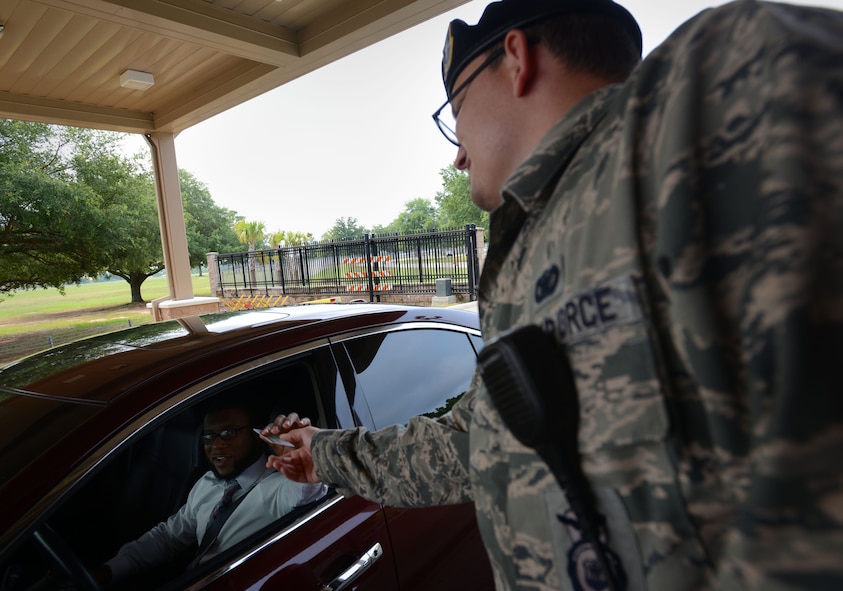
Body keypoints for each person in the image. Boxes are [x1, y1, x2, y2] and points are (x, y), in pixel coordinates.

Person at [266, 1, 843, 589]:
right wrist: (322, 453)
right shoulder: (535, 246)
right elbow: (475, 442)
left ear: (516, 60)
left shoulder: (715, 94)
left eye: (456, 112)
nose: (457, 153)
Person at [95, 402, 326, 586]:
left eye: (228, 432)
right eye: (208, 436)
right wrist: (110, 570)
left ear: (257, 434)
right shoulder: (208, 482)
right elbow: (169, 536)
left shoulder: (279, 487)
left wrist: (305, 459)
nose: (216, 445)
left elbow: (307, 492)